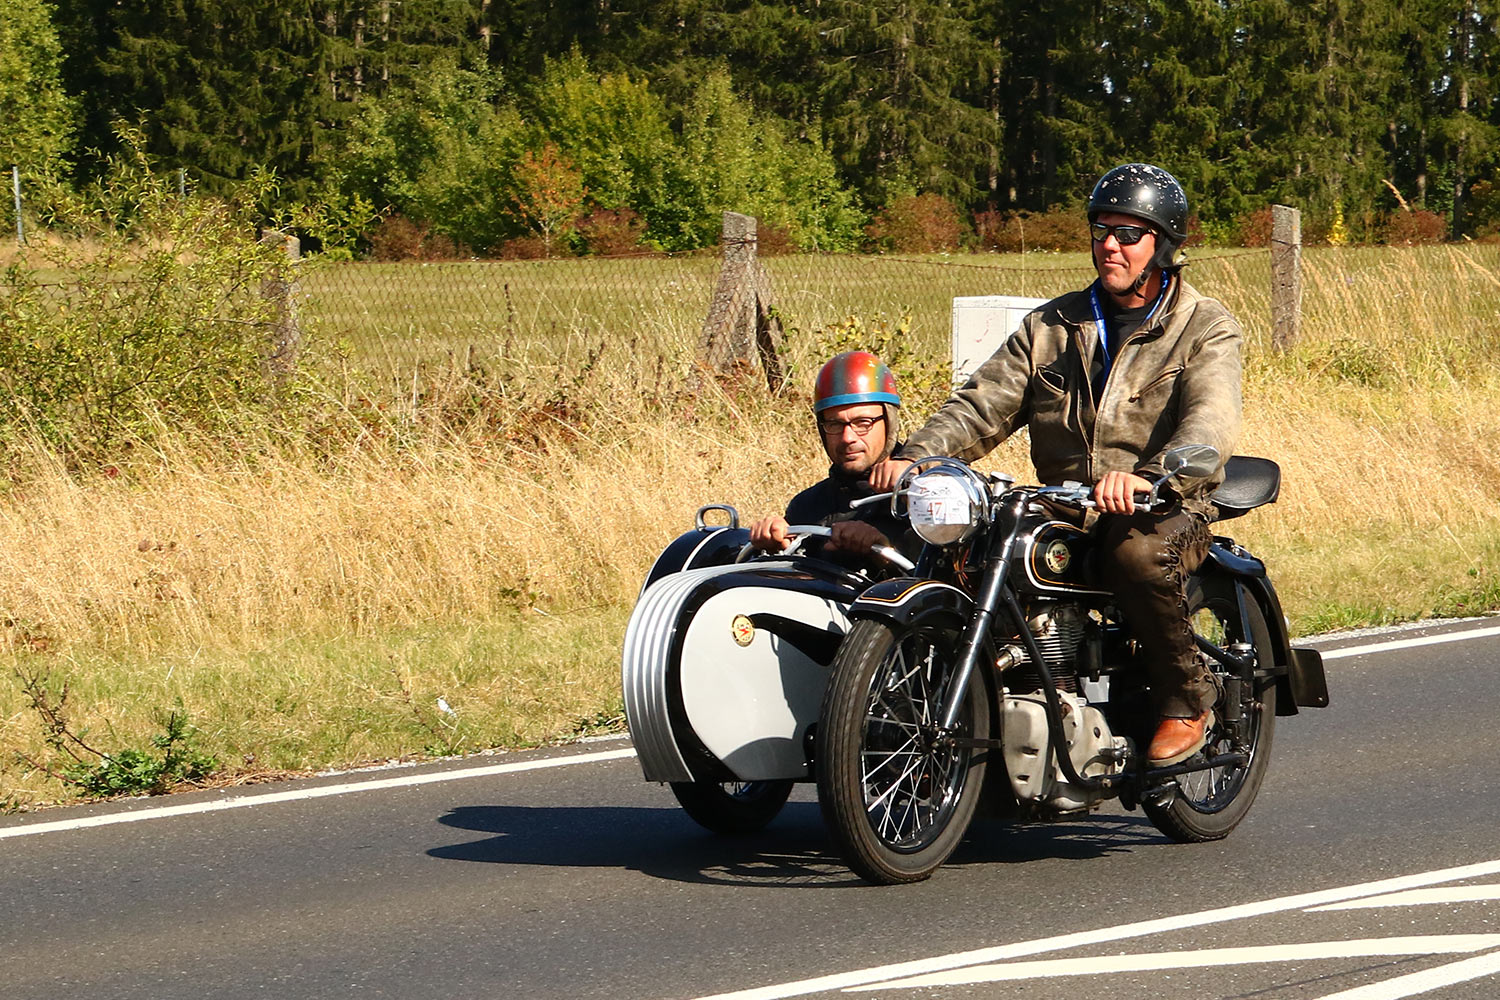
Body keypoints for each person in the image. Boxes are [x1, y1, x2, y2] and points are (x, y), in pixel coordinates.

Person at [869, 163, 1243, 767]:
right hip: (1067, 501)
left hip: (1167, 504)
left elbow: (1210, 426)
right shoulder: (1051, 325)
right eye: (1101, 231)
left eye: (1128, 233)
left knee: (1135, 554)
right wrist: (916, 455)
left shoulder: (1204, 327)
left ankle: (1186, 699)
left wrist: (1150, 477)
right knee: (968, 542)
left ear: (1164, 245)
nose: (1110, 246)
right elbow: (983, 404)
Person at [749, 351, 908, 563]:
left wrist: (884, 550)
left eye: (863, 423)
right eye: (834, 424)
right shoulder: (807, 506)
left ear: (889, 423)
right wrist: (771, 546)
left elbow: (942, 584)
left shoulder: (924, 500)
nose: (847, 437)